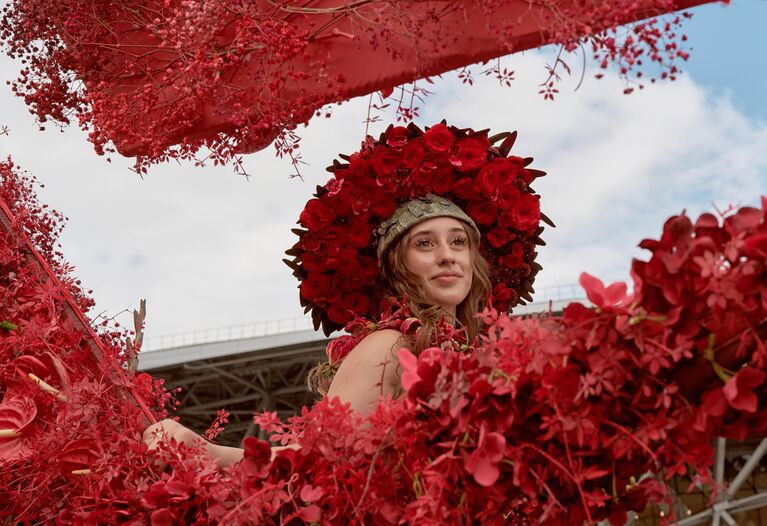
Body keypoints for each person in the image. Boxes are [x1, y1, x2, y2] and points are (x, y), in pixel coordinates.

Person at [143, 123, 543, 469]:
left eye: (458, 242)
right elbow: (319, 460)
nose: (447, 257)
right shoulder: (390, 344)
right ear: (395, 267)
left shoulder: (478, 355)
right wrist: (206, 452)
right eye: (424, 244)